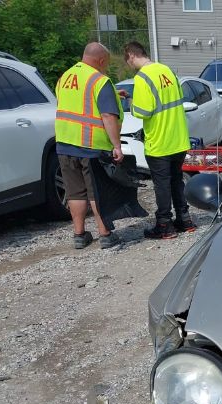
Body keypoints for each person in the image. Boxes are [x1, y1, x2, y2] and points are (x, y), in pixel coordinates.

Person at [123, 41, 194, 239]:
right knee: (176, 181)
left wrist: (131, 102)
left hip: (159, 141)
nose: (129, 64)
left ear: (131, 55)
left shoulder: (142, 78)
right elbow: (177, 99)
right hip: (178, 138)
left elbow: (142, 112)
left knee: (162, 184)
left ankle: (164, 224)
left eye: (127, 61)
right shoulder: (167, 70)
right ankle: (184, 218)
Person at [55, 42, 123, 249]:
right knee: (96, 191)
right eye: (106, 63)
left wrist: (113, 95)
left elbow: (77, 102)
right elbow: (108, 116)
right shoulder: (100, 81)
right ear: (101, 60)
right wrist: (117, 146)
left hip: (65, 143)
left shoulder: (64, 77)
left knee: (75, 191)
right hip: (90, 145)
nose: (106, 67)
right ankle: (105, 234)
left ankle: (79, 234)